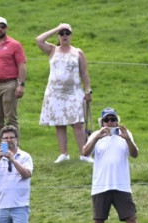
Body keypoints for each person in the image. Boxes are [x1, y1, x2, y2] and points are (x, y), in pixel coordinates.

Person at [82, 107, 146, 223]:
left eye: (113, 119)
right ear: (102, 122)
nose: (110, 123)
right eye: (107, 120)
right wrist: (97, 137)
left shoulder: (125, 134)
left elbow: (135, 154)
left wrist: (127, 139)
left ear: (117, 120)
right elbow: (85, 153)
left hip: (121, 185)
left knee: (131, 217)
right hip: (100, 185)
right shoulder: (96, 136)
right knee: (98, 220)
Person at [36, 23, 91, 163]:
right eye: (62, 33)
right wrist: (56, 28)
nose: (65, 36)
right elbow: (39, 40)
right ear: (58, 36)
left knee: (78, 123)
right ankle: (63, 154)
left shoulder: (78, 52)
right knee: (59, 123)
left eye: (67, 33)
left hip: (73, 92)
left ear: (71, 35)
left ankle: (84, 153)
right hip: (55, 93)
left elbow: (84, 72)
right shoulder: (52, 50)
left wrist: (88, 89)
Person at [0, 17, 27, 144]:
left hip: (9, 84)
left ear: (6, 28)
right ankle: (1, 149)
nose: (0, 29)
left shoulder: (14, 44)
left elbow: (22, 64)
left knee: (11, 119)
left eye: (3, 26)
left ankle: (15, 148)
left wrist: (21, 84)